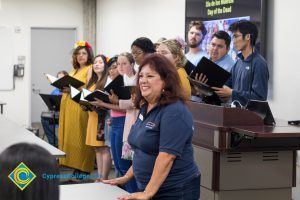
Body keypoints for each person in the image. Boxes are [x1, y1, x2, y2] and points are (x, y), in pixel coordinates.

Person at [103, 54, 200, 200]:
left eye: (150, 76)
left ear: (165, 81)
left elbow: (166, 156)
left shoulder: (175, 111)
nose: (143, 80)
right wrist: (126, 177)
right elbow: (142, 150)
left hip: (174, 191)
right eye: (141, 76)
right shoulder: (146, 107)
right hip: (151, 188)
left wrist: (148, 192)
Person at [91, 53, 138, 193]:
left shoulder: (135, 80)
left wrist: (108, 104)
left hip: (128, 123)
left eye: (124, 64)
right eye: (118, 64)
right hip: (116, 122)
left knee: (125, 164)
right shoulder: (120, 80)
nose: (120, 67)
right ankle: (124, 193)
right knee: (117, 163)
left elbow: (132, 106)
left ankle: (131, 193)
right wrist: (107, 106)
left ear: (132, 64)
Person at [58, 40, 95, 174]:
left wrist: (71, 89)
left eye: (84, 53)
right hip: (68, 106)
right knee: (71, 136)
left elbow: (88, 89)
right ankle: (74, 166)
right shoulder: (73, 70)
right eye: (78, 53)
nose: (80, 56)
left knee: (81, 136)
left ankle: (83, 169)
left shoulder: (90, 68)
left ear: (89, 55)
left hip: (79, 106)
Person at [212, 20, 269, 106]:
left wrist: (232, 93)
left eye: (236, 36)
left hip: (250, 118)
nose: (233, 41)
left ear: (248, 37)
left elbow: (260, 98)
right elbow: (226, 86)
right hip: (235, 115)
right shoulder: (238, 63)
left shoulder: (259, 63)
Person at [85, 54, 111, 180]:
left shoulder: (107, 81)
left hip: (102, 118)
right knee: (97, 148)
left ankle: (104, 177)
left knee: (104, 148)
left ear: (105, 65)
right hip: (92, 116)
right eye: (95, 62)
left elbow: (109, 101)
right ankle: (99, 176)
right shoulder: (92, 82)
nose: (96, 64)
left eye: (100, 62)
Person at [41, 70, 68, 147]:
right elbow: (50, 105)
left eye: (62, 78)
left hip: (68, 115)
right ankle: (54, 143)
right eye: (58, 78)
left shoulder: (70, 90)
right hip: (57, 114)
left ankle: (58, 144)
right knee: (44, 118)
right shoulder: (55, 91)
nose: (60, 80)